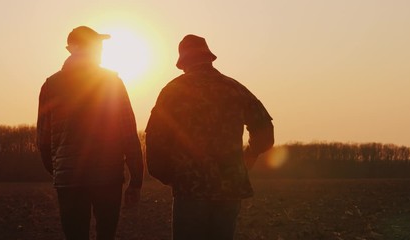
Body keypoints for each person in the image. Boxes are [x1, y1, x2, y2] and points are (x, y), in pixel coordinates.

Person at [145, 34, 274, 240]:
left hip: (189, 189)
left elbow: (155, 139)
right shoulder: (235, 88)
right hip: (229, 187)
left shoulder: (173, 91)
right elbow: (265, 134)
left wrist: (169, 175)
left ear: (183, 63)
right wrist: (247, 158)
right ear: (209, 58)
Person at [37, 26, 144, 240]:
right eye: (98, 44)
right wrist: (136, 179)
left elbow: (43, 139)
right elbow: (128, 133)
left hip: (68, 178)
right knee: (106, 235)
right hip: (108, 176)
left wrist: (60, 169)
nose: (101, 49)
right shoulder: (112, 82)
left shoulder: (50, 85)